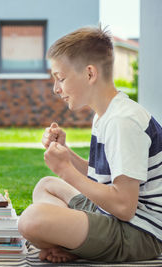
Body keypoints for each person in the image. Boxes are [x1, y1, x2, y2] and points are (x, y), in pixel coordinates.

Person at [18, 26, 162, 263]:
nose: (56, 89)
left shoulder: (122, 121)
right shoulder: (106, 114)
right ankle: (75, 241)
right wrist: (67, 154)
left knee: (31, 220)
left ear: (89, 74)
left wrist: (65, 170)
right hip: (112, 216)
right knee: (45, 186)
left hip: (139, 232)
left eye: (61, 79)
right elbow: (102, 179)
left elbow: (124, 206)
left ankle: (72, 242)